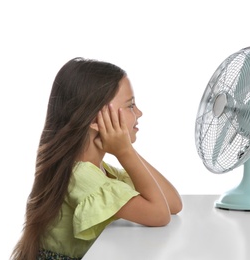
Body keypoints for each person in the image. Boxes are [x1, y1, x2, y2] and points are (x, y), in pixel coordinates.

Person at [10, 57, 183, 260]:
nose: (139, 112)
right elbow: (160, 215)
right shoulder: (81, 176)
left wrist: (126, 151)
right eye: (131, 105)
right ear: (95, 119)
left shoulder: (102, 171)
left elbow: (173, 204)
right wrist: (124, 152)